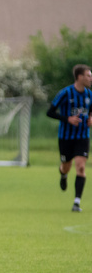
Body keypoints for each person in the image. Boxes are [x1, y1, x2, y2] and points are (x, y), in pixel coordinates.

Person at [47, 64, 92, 212]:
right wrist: (68, 119)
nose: (90, 78)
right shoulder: (66, 93)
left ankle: (76, 202)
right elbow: (50, 112)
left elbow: (91, 111)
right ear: (79, 77)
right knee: (66, 166)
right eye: (88, 75)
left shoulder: (90, 94)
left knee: (81, 166)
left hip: (83, 136)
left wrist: (91, 118)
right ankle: (63, 174)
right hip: (66, 137)